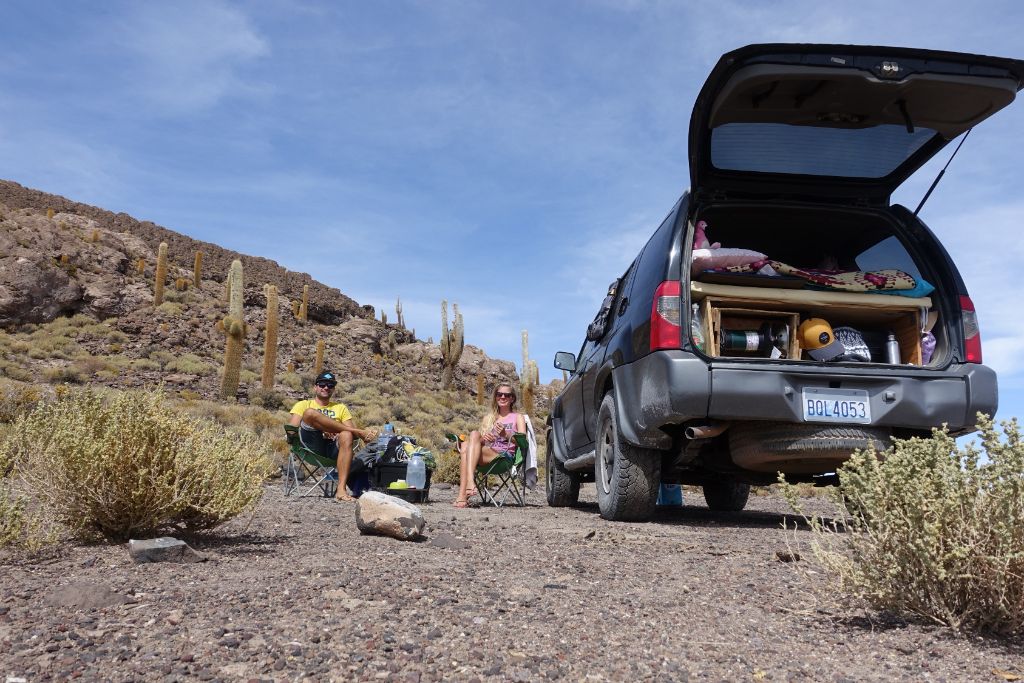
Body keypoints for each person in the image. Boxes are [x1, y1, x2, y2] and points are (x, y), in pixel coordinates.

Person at [289, 371, 378, 502]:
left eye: (330, 385)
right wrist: (323, 429)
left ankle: (341, 490)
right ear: (315, 387)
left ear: (334, 389)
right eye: (322, 384)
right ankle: (359, 431)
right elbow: (291, 431)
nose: (326, 387)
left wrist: (335, 431)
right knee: (309, 413)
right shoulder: (303, 404)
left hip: (334, 450)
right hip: (311, 447)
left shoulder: (340, 408)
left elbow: (350, 434)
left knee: (347, 434)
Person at [455, 383, 526, 508]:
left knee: (466, 447)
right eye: (499, 394)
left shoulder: (517, 417)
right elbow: (478, 444)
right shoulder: (489, 418)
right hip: (486, 454)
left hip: (504, 458)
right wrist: (484, 439)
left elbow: (523, 442)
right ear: (496, 397)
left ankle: (463, 494)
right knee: (470, 440)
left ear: (512, 398)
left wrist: (505, 434)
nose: (503, 397)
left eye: (507, 395)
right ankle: (468, 486)